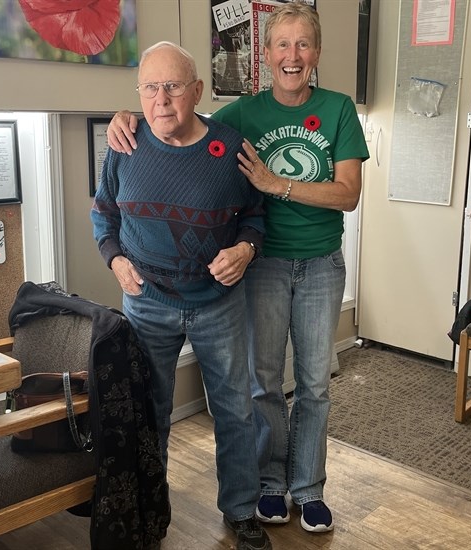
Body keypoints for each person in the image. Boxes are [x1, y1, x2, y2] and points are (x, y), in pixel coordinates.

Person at [107, 2, 369, 534]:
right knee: (264, 382)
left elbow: (347, 195)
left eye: (302, 45)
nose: (291, 56)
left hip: (319, 264)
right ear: (266, 54)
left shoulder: (340, 109)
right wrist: (127, 117)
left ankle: (309, 489)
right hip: (263, 266)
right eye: (281, 45)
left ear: (316, 53)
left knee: (316, 383)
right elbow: (183, 122)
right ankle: (270, 485)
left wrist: (278, 185)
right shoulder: (241, 115)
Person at [91, 41, 273, 550]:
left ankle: (241, 511)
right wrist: (115, 258)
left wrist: (245, 248)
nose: (161, 99)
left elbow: (256, 216)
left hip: (218, 303)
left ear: (196, 91)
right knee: (152, 411)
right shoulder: (124, 145)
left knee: (235, 410)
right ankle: (152, 511)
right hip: (146, 301)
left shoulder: (230, 147)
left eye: (173, 86)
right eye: (150, 87)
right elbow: (103, 215)